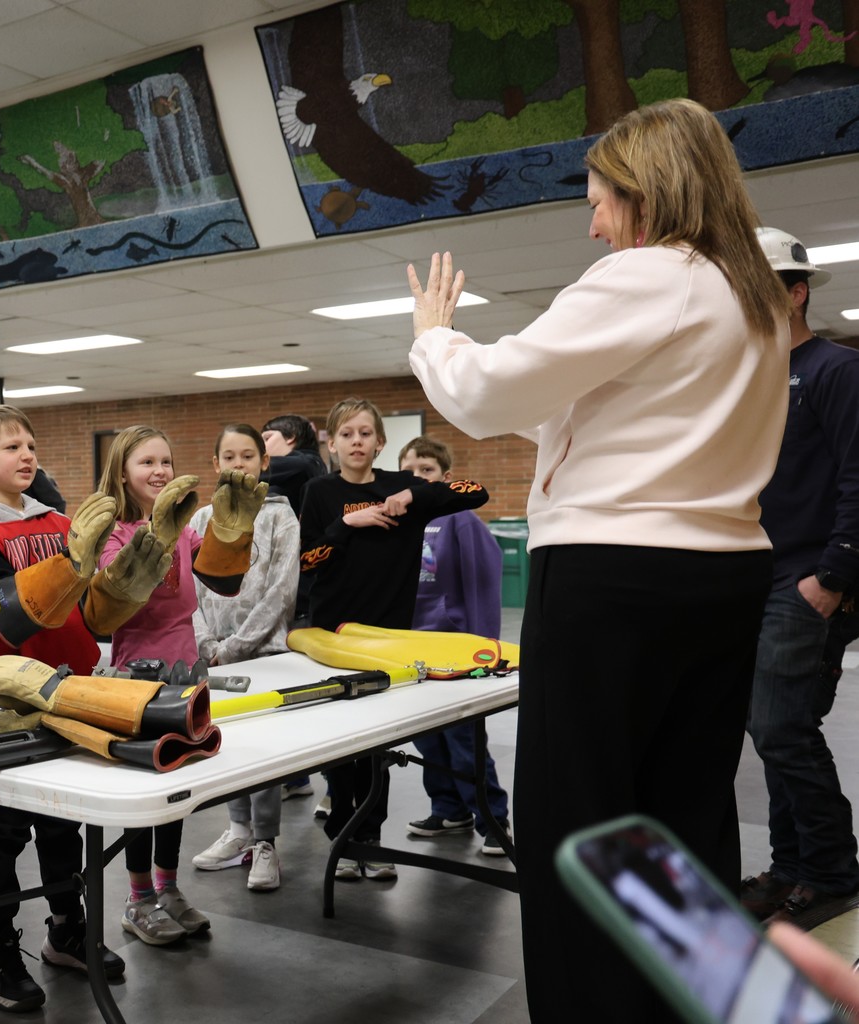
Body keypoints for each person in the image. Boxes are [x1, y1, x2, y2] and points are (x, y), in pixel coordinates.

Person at [406, 97, 791, 1022]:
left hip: (616, 574)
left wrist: (432, 336)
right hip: (724, 572)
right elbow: (604, 413)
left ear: (646, 192)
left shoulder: (648, 274)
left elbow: (488, 394)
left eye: (600, 199)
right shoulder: (755, 298)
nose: (593, 222)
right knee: (683, 810)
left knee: (577, 821)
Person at [0, 403, 157, 1011]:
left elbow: (90, 610)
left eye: (30, 445)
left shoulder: (60, 520)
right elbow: (4, 621)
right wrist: (69, 560)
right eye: (11, 447)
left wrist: (120, 582)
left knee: (64, 819)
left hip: (73, 686)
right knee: (5, 829)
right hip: (8, 695)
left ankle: (67, 929)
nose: (27, 455)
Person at [300, 397, 489, 880]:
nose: (357, 441)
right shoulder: (319, 491)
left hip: (390, 636)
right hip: (335, 635)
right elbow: (307, 562)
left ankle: (373, 839)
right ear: (332, 442)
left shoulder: (400, 485)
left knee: (377, 745)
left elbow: (475, 492)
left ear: (380, 441)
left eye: (365, 433)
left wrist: (415, 496)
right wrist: (347, 523)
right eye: (346, 434)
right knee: (341, 743)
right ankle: (344, 837)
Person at [97, 424, 266, 945]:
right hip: (137, 681)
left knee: (176, 790)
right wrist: (154, 540)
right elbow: (111, 607)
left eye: (166, 461)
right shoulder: (113, 534)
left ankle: (168, 889)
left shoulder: (189, 530)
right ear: (123, 474)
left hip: (189, 674)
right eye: (147, 462)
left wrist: (234, 536)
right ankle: (138, 897)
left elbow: (225, 578)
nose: (160, 471)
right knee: (147, 794)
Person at [742, 228, 859, 926]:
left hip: (809, 580)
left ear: (795, 291)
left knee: (780, 728)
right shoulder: (753, 380)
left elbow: (857, 476)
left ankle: (832, 871)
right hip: (761, 576)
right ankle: (792, 870)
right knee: (780, 729)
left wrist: (833, 575)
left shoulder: (834, 370)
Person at [190, 424, 300, 891]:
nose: (239, 465)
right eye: (230, 457)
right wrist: (206, 643)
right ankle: (238, 831)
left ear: (264, 463)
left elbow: (281, 591)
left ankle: (266, 843)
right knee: (228, 744)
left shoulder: (280, 518)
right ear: (216, 465)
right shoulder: (199, 521)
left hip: (262, 653)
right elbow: (186, 590)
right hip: (211, 655)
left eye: (248, 457)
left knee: (264, 754)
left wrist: (236, 647)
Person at [397, 435, 511, 856]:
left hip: (456, 649)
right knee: (428, 737)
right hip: (411, 648)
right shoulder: (400, 520)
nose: (418, 479)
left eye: (426, 471)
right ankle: (448, 809)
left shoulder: (460, 517)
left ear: (445, 479)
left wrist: (483, 648)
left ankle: (492, 819)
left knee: (465, 740)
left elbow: (483, 579)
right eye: (410, 471)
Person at [260, 412, 326, 801]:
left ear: (291, 437)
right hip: (297, 589)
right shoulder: (299, 469)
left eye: (265, 439)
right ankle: (296, 777)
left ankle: (329, 785)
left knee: (310, 691)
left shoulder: (305, 462)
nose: (259, 451)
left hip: (305, 593)